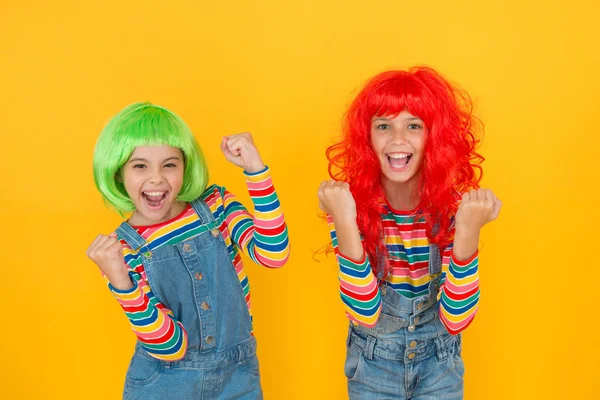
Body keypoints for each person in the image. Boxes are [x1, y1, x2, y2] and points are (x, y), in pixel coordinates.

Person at [318, 67, 502, 399]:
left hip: (440, 366)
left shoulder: (454, 208)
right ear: (367, 136)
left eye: (414, 126)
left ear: (436, 135)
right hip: (373, 366)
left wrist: (468, 232)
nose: (398, 140)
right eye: (383, 126)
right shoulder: (350, 206)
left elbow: (456, 320)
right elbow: (365, 313)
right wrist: (344, 222)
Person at [87, 102, 290, 399]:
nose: (156, 178)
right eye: (140, 165)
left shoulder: (216, 205)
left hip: (238, 374)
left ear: (185, 167)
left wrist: (256, 171)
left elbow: (274, 254)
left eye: (169, 164)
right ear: (118, 174)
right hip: (165, 384)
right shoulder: (120, 250)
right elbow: (170, 346)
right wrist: (122, 284)